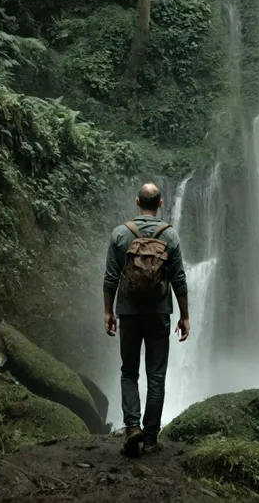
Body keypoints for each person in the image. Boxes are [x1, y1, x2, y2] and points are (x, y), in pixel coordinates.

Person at [103, 182, 189, 457]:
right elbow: (179, 280)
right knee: (156, 375)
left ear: (137, 202)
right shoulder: (171, 236)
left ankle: (131, 428)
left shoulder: (120, 234)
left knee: (129, 371)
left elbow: (110, 278)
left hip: (128, 313)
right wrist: (184, 316)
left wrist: (108, 311)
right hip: (159, 315)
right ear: (161, 203)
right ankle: (151, 437)